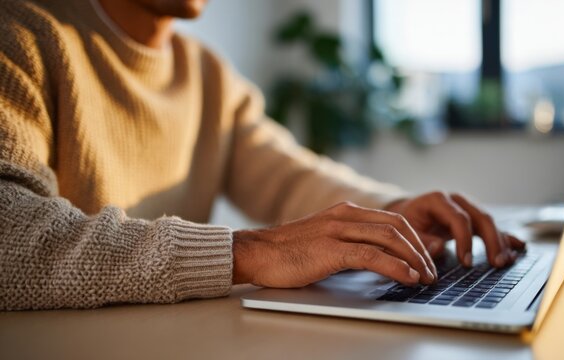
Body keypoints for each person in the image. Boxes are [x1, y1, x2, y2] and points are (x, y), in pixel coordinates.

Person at [0, 0, 525, 311]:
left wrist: (396, 212)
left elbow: (289, 177)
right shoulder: (21, 35)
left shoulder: (206, 74)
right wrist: (246, 252)